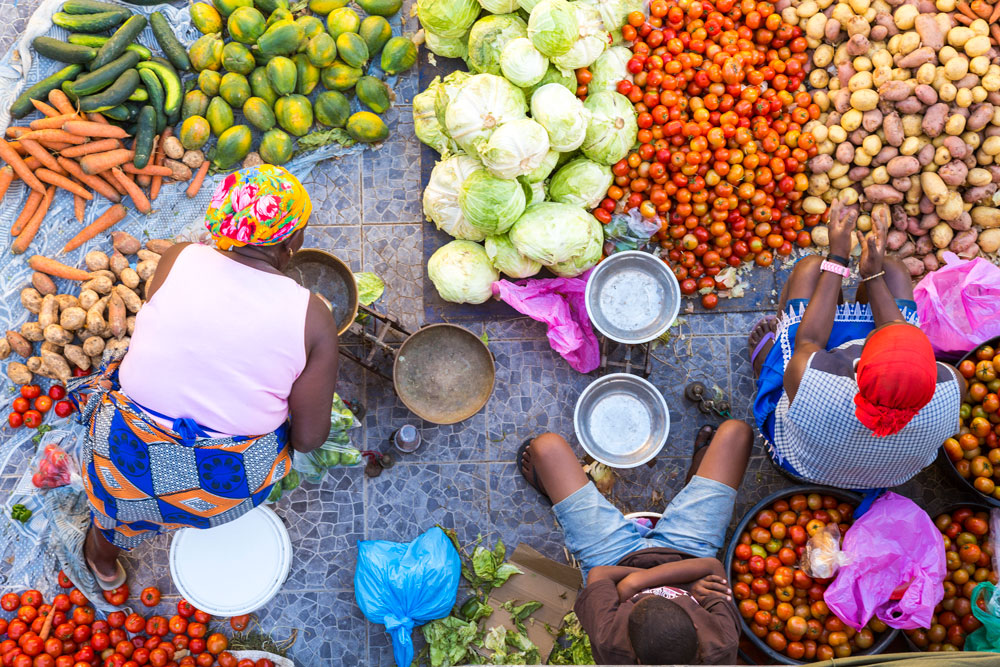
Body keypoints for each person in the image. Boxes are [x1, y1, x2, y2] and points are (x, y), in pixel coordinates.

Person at [73, 165, 340, 589]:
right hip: (222, 485)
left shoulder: (180, 256)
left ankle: (101, 554)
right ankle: (185, 511)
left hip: (123, 456)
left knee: (117, 504)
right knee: (277, 427)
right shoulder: (313, 316)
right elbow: (309, 438)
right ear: (291, 242)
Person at [750, 200, 965, 489]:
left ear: (858, 365)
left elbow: (809, 339)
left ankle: (768, 363)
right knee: (892, 271)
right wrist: (872, 274)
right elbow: (897, 329)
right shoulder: (953, 386)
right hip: (886, 474)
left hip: (805, 463)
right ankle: (877, 275)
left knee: (811, 270)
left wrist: (837, 258)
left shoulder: (815, 383)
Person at [518, 420, 753, 665]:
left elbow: (600, 574)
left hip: (614, 560)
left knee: (546, 448)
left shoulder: (611, 643)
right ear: (695, 626)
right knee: (738, 433)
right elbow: (711, 565)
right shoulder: (720, 645)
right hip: (687, 554)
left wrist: (634, 582)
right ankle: (693, 481)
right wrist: (634, 585)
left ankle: (556, 494)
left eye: (637, 602)